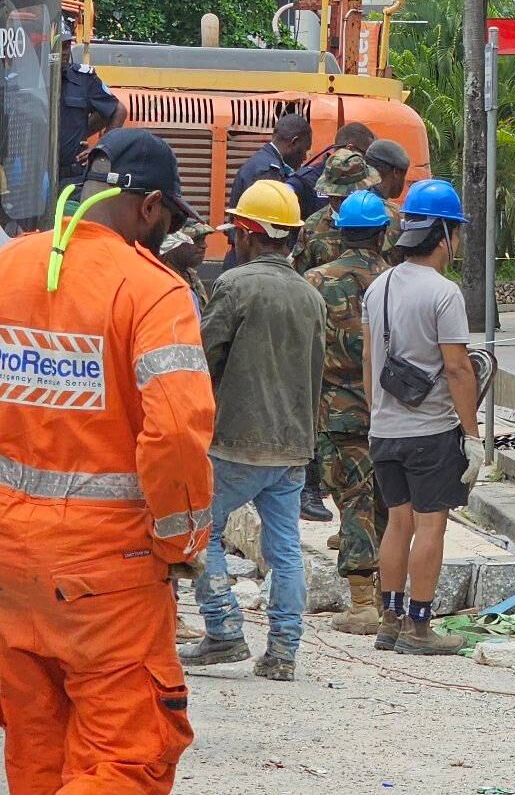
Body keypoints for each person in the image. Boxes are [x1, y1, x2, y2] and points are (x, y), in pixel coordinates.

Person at [0, 126, 215, 794]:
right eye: (168, 221)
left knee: (39, 751)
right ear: (150, 206)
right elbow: (177, 430)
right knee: (126, 760)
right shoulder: (151, 291)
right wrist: (180, 539)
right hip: (110, 571)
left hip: (12, 561)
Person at [182, 179, 327, 682]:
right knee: (285, 549)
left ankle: (224, 630)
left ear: (246, 233)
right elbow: (316, 372)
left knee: (202, 533)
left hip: (235, 441)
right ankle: (283, 651)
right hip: (292, 446)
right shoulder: (311, 296)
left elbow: (202, 359)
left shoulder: (235, 285)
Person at [363, 179, 485, 656]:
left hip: (384, 429)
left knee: (398, 523)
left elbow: (370, 360)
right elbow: (457, 368)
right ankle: (419, 627)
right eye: (458, 231)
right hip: (430, 431)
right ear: (444, 234)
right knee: (431, 524)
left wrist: (377, 414)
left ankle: (389, 620)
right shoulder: (444, 292)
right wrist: (472, 435)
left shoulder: (379, 286)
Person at [304, 190, 393, 634]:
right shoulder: (396, 280)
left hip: (337, 411)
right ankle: (387, 597)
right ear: (382, 233)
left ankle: (362, 603)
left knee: (354, 500)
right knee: (388, 500)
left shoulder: (317, 281)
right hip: (393, 410)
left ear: (340, 232)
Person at [292, 147, 382, 523]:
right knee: (328, 442)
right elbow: (299, 284)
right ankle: (315, 492)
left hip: (379, 360)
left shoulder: (386, 223)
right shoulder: (313, 228)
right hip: (331, 359)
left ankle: (358, 531)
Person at [225, 112, 312, 266]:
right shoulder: (268, 172)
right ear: (294, 142)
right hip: (254, 263)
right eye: (304, 150)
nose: (304, 158)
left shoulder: (261, 162)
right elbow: (265, 229)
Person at [295, 145, 382, 274]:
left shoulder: (391, 218)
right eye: (339, 198)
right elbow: (300, 275)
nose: (343, 202)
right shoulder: (312, 227)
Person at [58, 43, 124, 186]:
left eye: (66, 46)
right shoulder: (30, 77)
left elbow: (118, 110)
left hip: (71, 177)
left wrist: (102, 147)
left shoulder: (83, 78)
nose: (63, 52)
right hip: (33, 174)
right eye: (58, 46)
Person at [292, 121, 375, 218]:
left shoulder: (367, 179)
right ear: (350, 149)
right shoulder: (306, 181)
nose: (368, 161)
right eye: (366, 154)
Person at [160, 213, 218, 311]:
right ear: (174, 243)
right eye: (197, 240)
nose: (204, 246)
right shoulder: (161, 278)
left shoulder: (190, 276)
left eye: (203, 240)